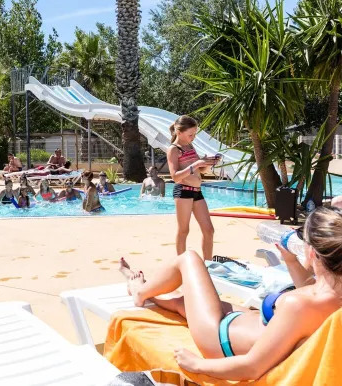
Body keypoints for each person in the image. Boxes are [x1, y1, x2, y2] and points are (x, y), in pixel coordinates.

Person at [119, 206, 342, 380]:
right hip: (246, 323)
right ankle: (151, 292)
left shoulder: (298, 305)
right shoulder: (329, 299)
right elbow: (310, 293)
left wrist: (197, 364)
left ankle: (140, 292)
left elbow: (252, 367)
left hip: (220, 341)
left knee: (189, 259)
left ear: (312, 253)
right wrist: (291, 261)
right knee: (184, 302)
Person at [167, 115, 218, 260]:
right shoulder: (174, 149)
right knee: (184, 230)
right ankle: (182, 265)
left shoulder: (189, 146)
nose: (193, 137)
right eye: (191, 134)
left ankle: (208, 265)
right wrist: (196, 164)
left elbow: (199, 171)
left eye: (195, 134)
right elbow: (175, 176)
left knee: (209, 230)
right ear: (179, 132)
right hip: (183, 191)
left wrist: (207, 163)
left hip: (197, 192)